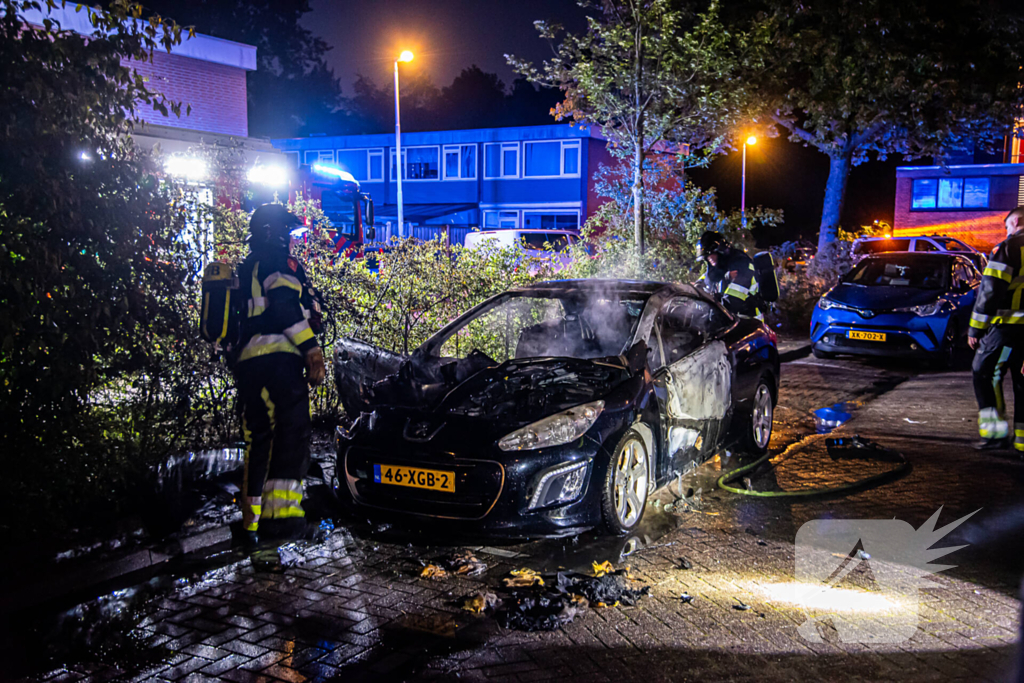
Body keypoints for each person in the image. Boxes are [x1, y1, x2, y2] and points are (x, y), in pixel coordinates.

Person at [234, 204, 326, 545]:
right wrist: (312, 350)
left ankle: (251, 525)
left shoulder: (248, 267)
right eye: (288, 234)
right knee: (290, 437)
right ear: (274, 233)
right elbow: (285, 306)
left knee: (260, 442)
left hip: (249, 367)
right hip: (278, 365)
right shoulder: (278, 263)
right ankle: (282, 522)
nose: (291, 241)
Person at [968, 206, 1024, 452]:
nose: (1007, 231)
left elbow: (989, 292)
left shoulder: (1008, 248)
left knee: (983, 372)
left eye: (1007, 226)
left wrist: (975, 329)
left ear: (1017, 221)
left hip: (1008, 327)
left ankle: (995, 434)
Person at [695, 230, 761, 318]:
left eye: (710, 254)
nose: (709, 258)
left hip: (747, 321)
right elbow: (705, 281)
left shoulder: (741, 263)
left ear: (720, 251)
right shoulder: (718, 269)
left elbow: (732, 301)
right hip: (728, 321)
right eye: (706, 257)